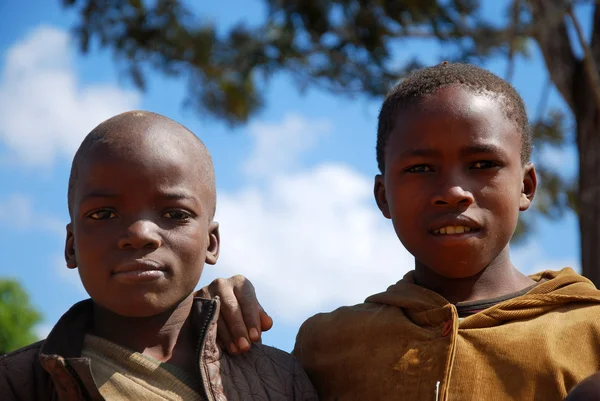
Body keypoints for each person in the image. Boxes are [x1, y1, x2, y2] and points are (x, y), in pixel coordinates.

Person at [201, 63, 600, 400]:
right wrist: (201, 321)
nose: (453, 192)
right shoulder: (328, 345)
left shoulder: (587, 330)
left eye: (482, 164)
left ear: (526, 187)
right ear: (383, 196)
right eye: (420, 169)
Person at [0, 111, 317, 401]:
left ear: (211, 242)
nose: (140, 233)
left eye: (175, 213)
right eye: (104, 214)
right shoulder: (19, 383)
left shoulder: (277, 379)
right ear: (71, 246)